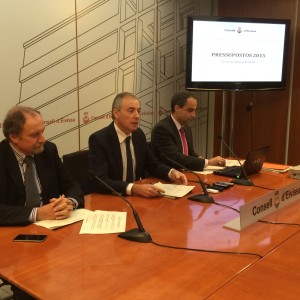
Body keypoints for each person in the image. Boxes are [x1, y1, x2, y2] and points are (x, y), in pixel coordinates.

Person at [88, 92, 187, 198]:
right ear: (116, 113)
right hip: (112, 198)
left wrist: (171, 172)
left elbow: (152, 164)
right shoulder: (99, 139)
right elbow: (100, 181)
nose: (137, 116)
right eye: (131, 111)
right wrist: (133, 188)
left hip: (136, 199)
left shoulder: (138, 135)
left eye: (138, 111)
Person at [0, 106, 84, 227]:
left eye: (42, 132)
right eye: (35, 135)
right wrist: (37, 213)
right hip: (12, 232)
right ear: (14, 137)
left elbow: (71, 184)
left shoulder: (48, 150)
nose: (42, 139)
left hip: (50, 228)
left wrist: (69, 203)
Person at [151, 91, 225, 171]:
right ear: (177, 108)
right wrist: (208, 162)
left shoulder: (186, 128)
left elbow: (190, 153)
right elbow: (175, 158)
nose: (194, 115)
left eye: (194, 110)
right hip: (164, 178)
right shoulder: (162, 129)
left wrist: (204, 160)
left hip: (185, 174)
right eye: (190, 110)